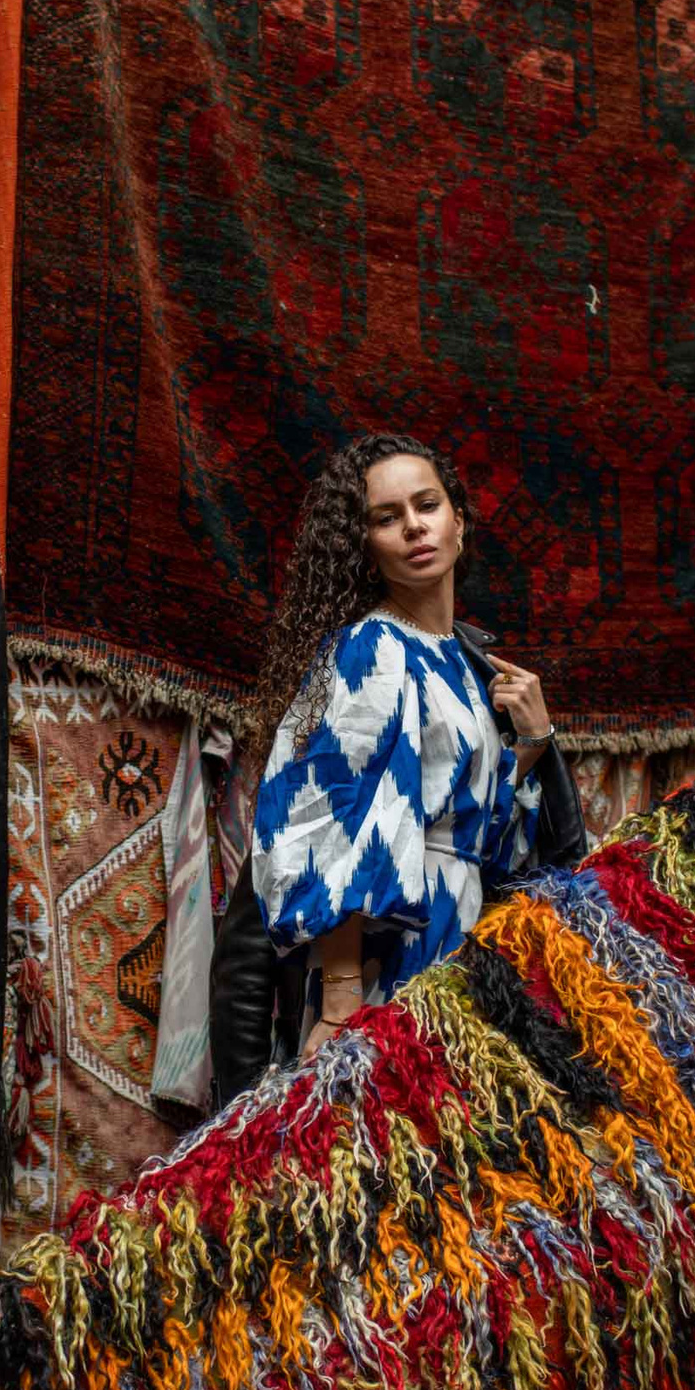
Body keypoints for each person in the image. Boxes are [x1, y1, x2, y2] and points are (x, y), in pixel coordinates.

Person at [206, 433, 587, 1103]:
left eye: (427, 504)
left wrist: (530, 742)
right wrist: (343, 1003)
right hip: (391, 959)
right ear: (368, 546)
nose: (413, 525)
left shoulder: (464, 667)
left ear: (458, 523)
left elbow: (490, 852)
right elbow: (329, 822)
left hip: (463, 942)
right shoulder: (372, 646)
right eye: (386, 517)